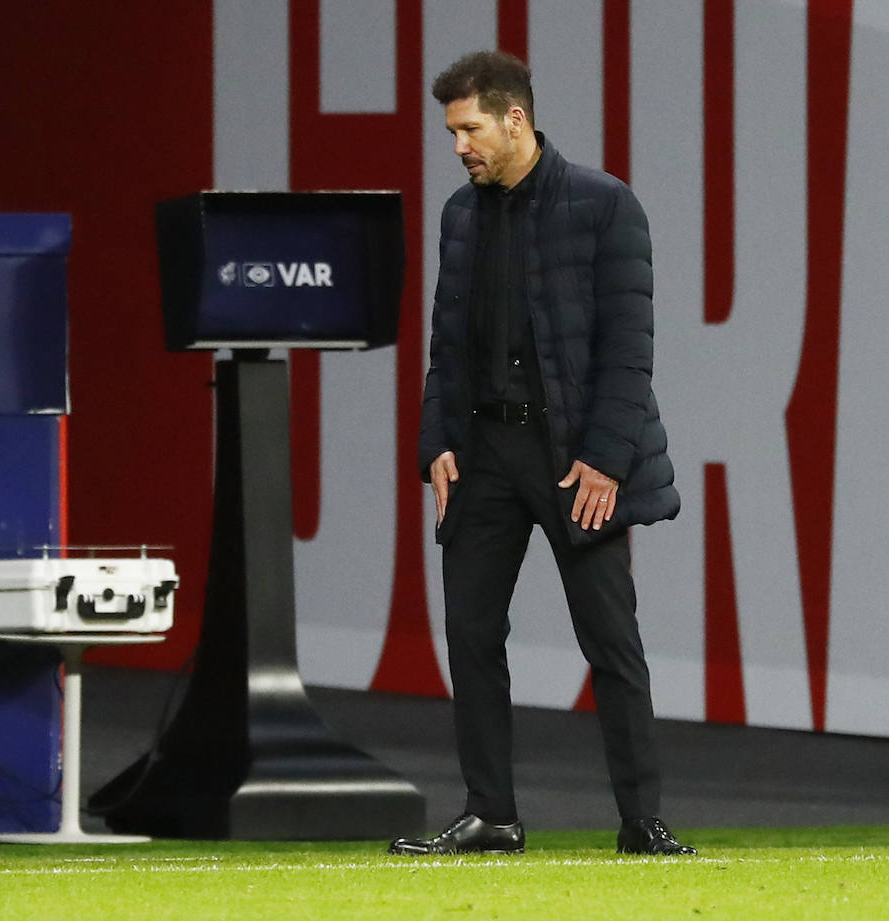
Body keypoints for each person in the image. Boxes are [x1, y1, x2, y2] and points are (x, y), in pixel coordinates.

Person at [388, 51, 693, 857]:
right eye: (452, 131)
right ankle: (491, 812)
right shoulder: (461, 214)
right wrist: (435, 446)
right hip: (483, 454)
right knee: (472, 633)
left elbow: (630, 348)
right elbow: (445, 343)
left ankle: (642, 820)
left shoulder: (604, 205)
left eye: (469, 129)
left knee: (610, 640)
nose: (458, 145)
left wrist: (606, 457)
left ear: (514, 118)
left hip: (575, 460)